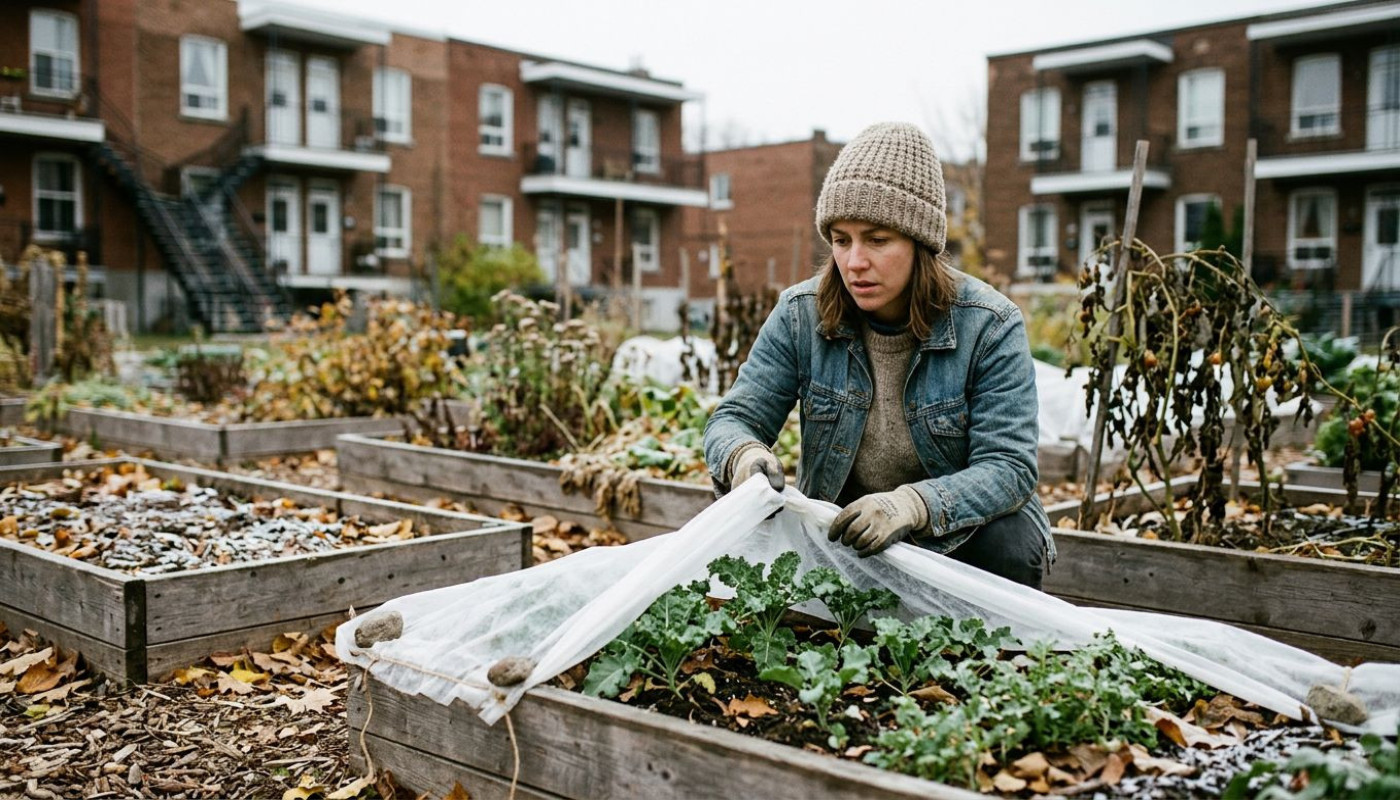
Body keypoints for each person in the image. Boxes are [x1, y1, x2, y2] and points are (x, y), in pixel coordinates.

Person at [702, 122, 1052, 589]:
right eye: (842, 240)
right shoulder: (801, 315)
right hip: (848, 530)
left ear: (919, 243)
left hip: (952, 533)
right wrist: (743, 457)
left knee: (1011, 541)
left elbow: (1009, 467)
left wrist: (910, 505)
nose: (854, 261)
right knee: (738, 502)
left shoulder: (989, 324)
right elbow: (733, 418)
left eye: (877, 239)